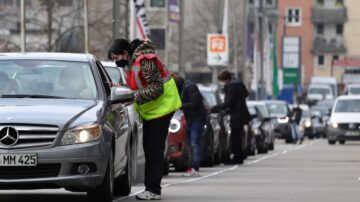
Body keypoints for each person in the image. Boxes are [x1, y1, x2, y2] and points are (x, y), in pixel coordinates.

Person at [108, 39, 181, 200]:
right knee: (150, 149)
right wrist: (118, 88)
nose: (116, 61)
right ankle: (151, 188)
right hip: (153, 111)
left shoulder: (145, 60)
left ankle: (153, 190)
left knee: (154, 150)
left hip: (162, 109)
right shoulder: (134, 62)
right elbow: (138, 87)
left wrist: (132, 97)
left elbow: (156, 88)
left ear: (125, 53)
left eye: (116, 57)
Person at [211, 70, 251, 164]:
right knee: (238, 136)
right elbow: (246, 94)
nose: (222, 83)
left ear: (225, 79)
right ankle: (239, 156)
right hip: (242, 113)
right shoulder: (239, 83)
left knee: (235, 137)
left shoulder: (231, 86)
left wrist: (215, 108)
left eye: (222, 81)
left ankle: (237, 158)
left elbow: (228, 102)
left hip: (236, 115)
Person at [171, 73, 206, 177]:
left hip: (197, 118)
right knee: (191, 143)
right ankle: (192, 167)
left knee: (194, 143)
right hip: (191, 118)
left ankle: (195, 167)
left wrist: (180, 106)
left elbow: (196, 102)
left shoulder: (189, 86)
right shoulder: (183, 86)